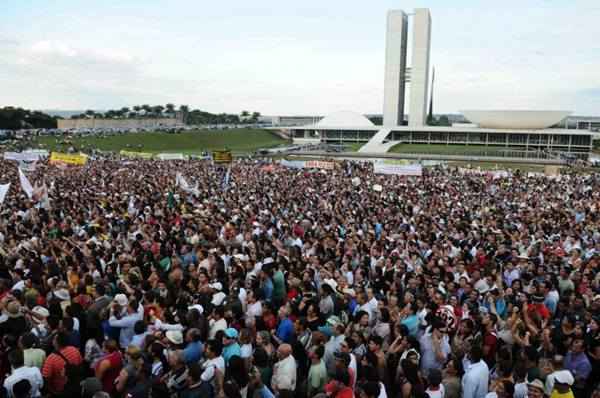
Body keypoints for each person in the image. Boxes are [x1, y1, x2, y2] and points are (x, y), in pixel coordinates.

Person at [41, 332, 83, 396]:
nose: (52, 340)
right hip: (75, 386)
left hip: (60, 390)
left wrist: (52, 392)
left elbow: (46, 378)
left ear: (57, 343)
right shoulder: (74, 350)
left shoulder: (51, 359)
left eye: (54, 339)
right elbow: (80, 363)